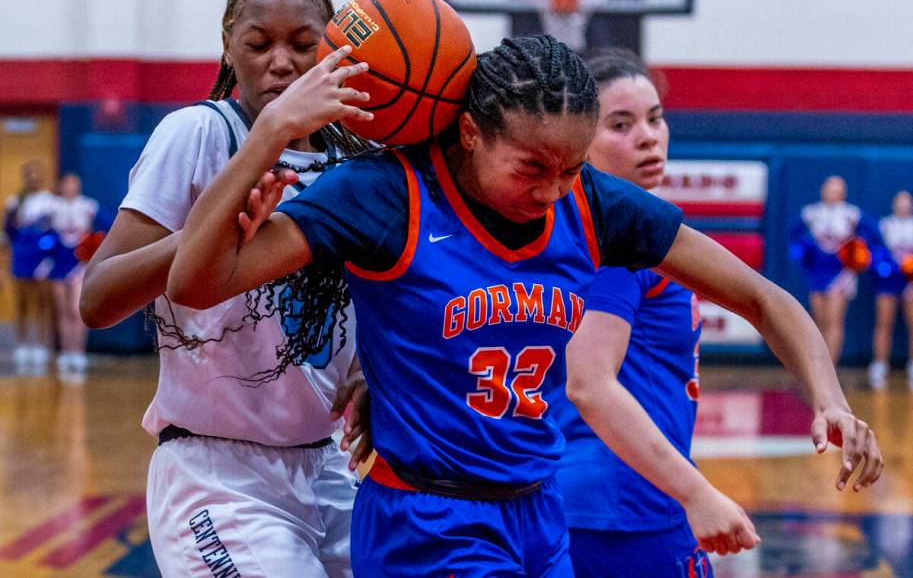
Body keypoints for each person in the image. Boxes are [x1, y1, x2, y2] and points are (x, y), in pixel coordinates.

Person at [167, 34, 883, 577]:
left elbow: (762, 297)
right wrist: (268, 136)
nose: (553, 187)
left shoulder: (591, 203)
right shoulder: (384, 194)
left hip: (537, 511)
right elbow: (197, 283)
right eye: (533, 167)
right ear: (472, 134)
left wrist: (827, 397)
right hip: (428, 516)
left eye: (570, 167)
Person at [80, 0, 371, 577]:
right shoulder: (197, 133)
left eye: (302, 43)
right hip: (216, 471)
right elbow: (98, 299)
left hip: (328, 466)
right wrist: (215, 227)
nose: (282, 62)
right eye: (258, 44)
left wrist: (376, 375)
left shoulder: (356, 160)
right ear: (228, 48)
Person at [550, 48, 732, 577]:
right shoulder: (619, 243)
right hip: (628, 506)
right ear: (578, 139)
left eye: (655, 118)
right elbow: (590, 382)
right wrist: (697, 493)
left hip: (586, 498)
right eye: (621, 125)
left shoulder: (574, 228)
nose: (649, 136)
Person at [790, 175, 875, 364]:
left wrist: (859, 253)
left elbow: (874, 234)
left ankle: (831, 368)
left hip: (841, 275)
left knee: (834, 322)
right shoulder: (812, 212)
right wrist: (803, 252)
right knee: (818, 322)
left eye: (837, 189)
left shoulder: (851, 214)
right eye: (829, 188)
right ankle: (817, 366)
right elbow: (793, 233)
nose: (832, 193)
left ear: (843, 193)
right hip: (817, 273)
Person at [48, 172, 111, 375]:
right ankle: (65, 352)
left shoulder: (88, 206)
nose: (70, 187)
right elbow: (40, 231)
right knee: (62, 310)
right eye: (67, 184)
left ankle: (78, 352)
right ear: (61, 186)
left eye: (74, 184)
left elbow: (110, 224)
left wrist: (95, 244)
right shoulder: (52, 206)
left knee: (76, 310)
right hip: (58, 263)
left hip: (79, 263)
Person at [3, 160, 56, 367]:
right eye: (29, 174)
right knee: (23, 300)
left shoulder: (50, 201)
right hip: (21, 254)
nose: (33, 178)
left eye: (37, 174)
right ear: (25, 177)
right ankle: (23, 344)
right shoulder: (15, 201)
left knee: (43, 300)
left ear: (42, 177)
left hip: (42, 254)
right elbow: (8, 232)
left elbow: (53, 230)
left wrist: (49, 255)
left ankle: (42, 344)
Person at [868, 189, 913, 390]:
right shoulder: (884, 225)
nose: (903, 206)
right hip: (888, 280)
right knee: (883, 323)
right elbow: (874, 252)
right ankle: (880, 364)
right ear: (894, 204)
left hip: (911, 280)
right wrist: (885, 268)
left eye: (907, 202)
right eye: (899, 202)